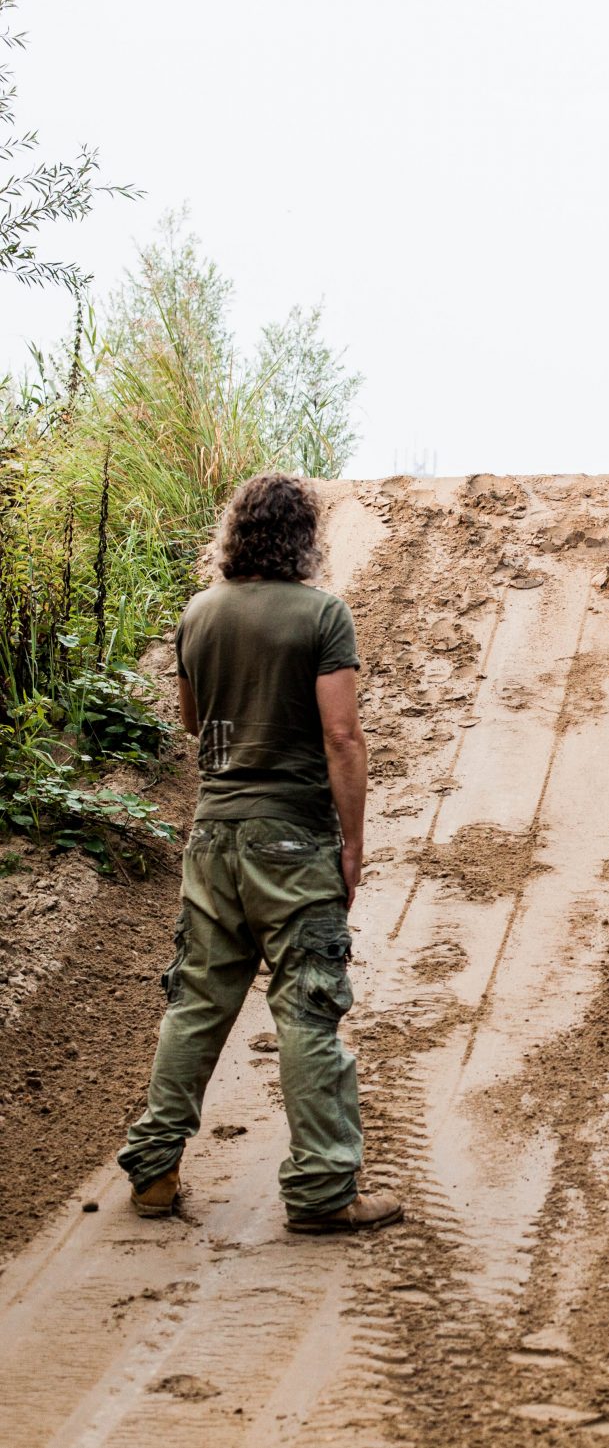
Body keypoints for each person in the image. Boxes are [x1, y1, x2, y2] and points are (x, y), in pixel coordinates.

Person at [117, 473, 402, 1234]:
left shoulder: (199, 613)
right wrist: (352, 843)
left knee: (197, 1002)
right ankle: (322, 1191)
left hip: (213, 836)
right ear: (303, 537)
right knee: (308, 1007)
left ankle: (154, 1169)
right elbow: (341, 736)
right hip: (292, 840)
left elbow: (192, 720)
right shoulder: (322, 615)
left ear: (234, 533)